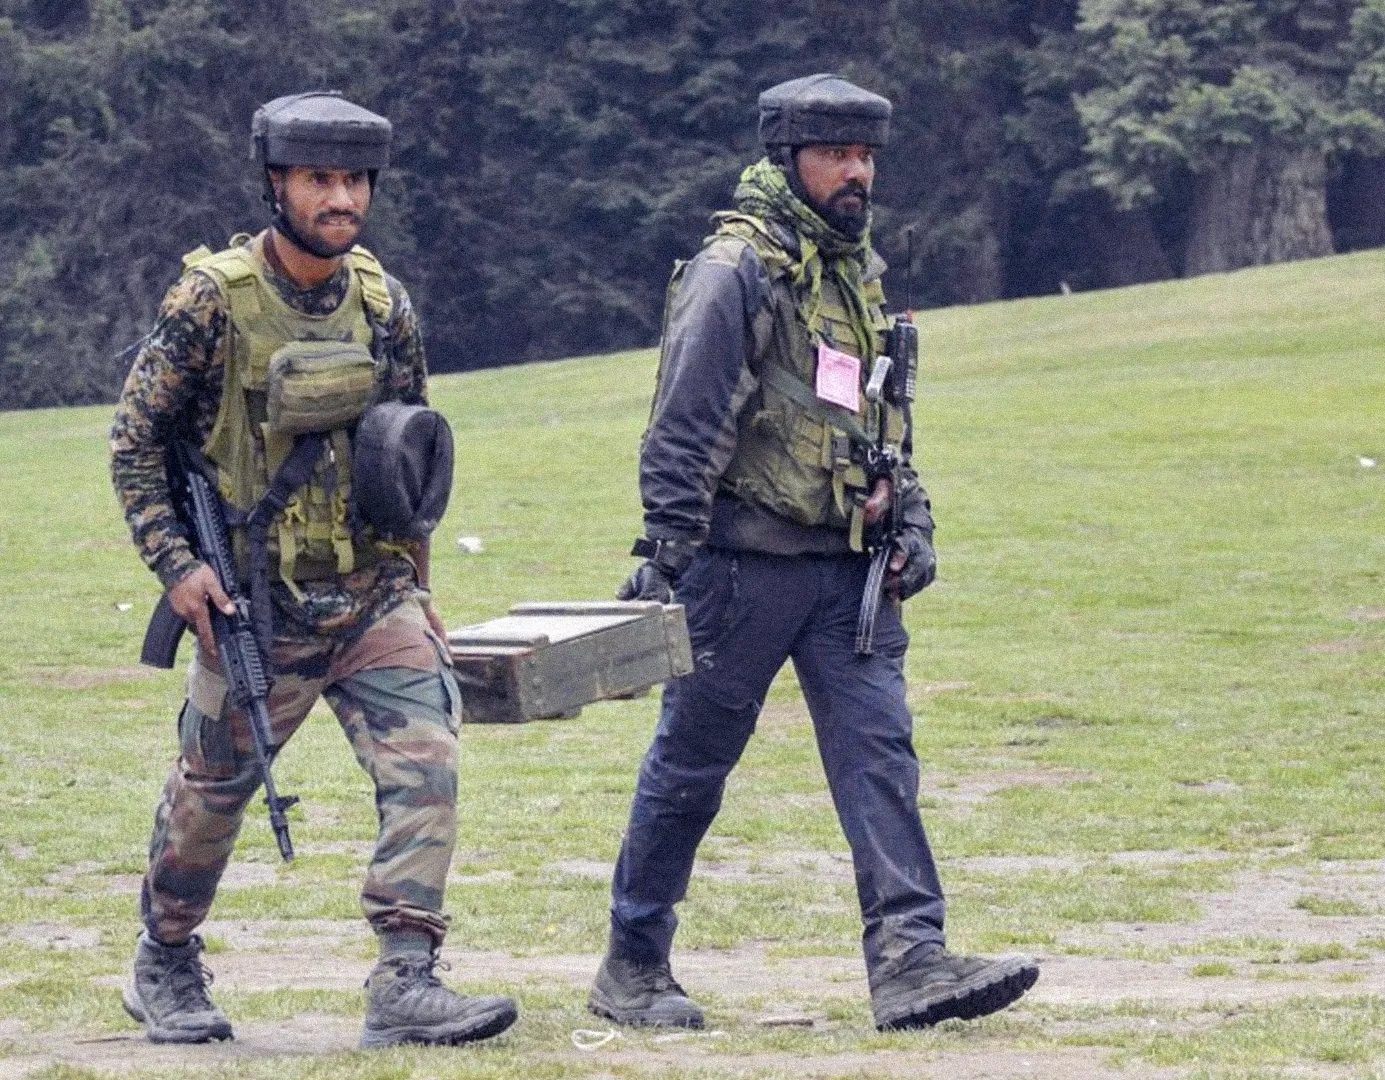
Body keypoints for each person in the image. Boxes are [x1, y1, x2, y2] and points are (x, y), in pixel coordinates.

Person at [596, 73, 1039, 1033]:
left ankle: (912, 960)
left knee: (880, 758)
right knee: (691, 767)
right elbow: (684, 422)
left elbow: (878, 414)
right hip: (738, 566)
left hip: (847, 573)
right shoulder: (736, 270)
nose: (857, 173)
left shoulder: (849, 271)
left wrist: (910, 513)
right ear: (788, 157)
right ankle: (633, 963)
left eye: (868, 156)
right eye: (838, 155)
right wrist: (668, 553)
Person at [107, 91, 516, 1049]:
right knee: (210, 795)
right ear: (277, 186)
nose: (341, 198)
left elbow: (412, 451)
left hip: (374, 593)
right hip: (254, 603)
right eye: (320, 180)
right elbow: (133, 447)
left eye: (354, 180)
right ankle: (164, 957)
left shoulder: (381, 302)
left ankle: (407, 976)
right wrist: (177, 569)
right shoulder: (210, 303)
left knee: (429, 763)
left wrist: (420, 586)